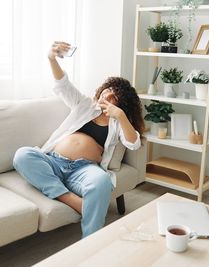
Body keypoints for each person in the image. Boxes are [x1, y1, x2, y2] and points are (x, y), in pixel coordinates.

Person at [13, 41, 144, 238]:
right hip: (54, 162)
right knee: (22, 155)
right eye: (108, 89)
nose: (108, 94)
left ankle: (90, 244)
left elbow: (134, 143)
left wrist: (121, 116)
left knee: (101, 182)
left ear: (122, 104)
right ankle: (71, 200)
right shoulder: (84, 105)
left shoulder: (117, 123)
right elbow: (63, 85)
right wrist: (51, 58)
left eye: (115, 96)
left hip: (83, 170)